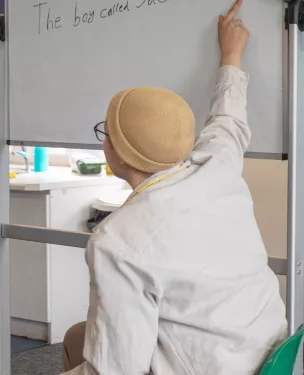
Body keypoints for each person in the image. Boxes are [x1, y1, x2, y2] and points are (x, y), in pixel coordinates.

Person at [61, 0, 287, 374]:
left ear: (116, 151)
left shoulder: (119, 241)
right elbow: (228, 121)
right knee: (75, 338)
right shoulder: (218, 168)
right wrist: (232, 54)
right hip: (268, 357)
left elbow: (117, 369)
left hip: (207, 366)